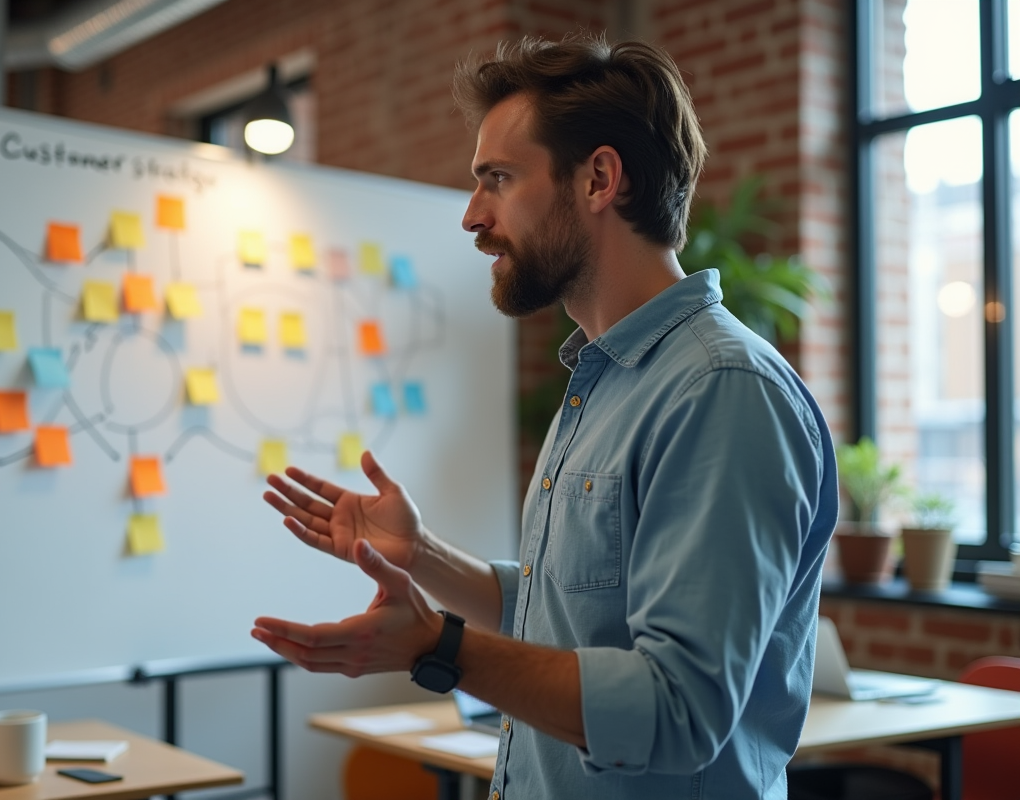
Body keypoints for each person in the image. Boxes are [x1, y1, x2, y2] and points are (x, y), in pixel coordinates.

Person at [253, 32, 837, 799]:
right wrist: (423, 555)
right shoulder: (602, 376)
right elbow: (561, 612)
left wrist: (441, 646)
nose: (470, 215)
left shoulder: (719, 390)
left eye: (497, 178)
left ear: (598, 179)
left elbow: (678, 711)